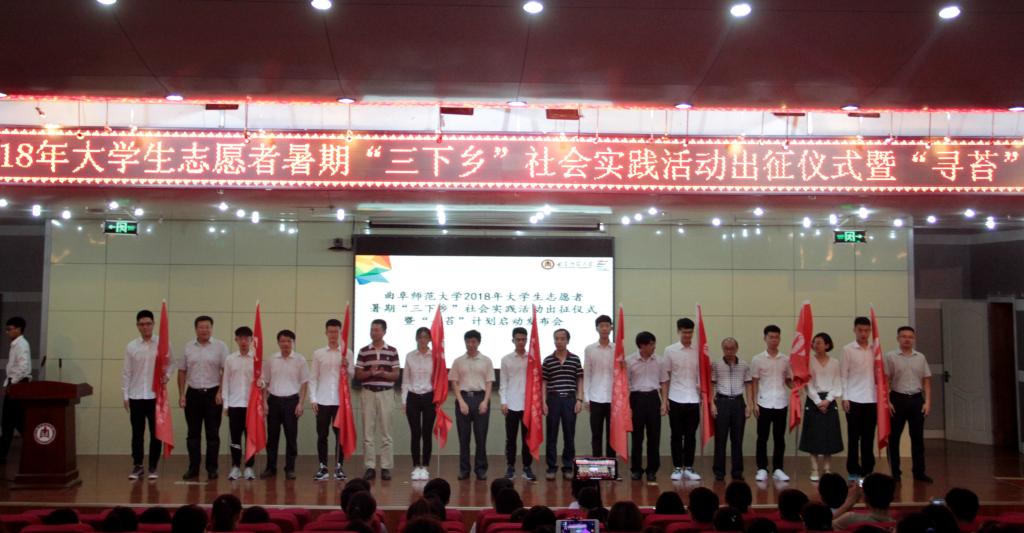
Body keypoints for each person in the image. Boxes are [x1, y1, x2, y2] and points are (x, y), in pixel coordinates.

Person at [176, 315, 228, 481]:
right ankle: (193, 468)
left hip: (213, 395)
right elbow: (182, 371)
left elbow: (226, 371)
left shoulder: (220, 346)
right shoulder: (188, 347)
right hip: (193, 394)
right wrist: (182, 394)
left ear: (211, 328)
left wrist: (221, 392)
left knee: (212, 434)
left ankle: (212, 468)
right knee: (193, 434)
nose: (204, 330)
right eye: (201, 327)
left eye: (207, 327)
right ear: (196, 329)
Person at [122, 310, 173, 480]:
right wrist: (125, 395)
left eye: (148, 324)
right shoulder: (131, 346)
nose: (145, 327)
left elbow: (171, 363)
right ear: (137, 326)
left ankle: (153, 466)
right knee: (137, 433)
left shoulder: (163, 344)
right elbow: (126, 372)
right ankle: (138, 465)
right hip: (136, 395)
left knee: (155, 433)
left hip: (155, 396)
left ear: (153, 324)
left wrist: (167, 376)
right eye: (142, 324)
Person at [885, 326, 933, 483]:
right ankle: (895, 473)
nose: (907, 339)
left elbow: (926, 380)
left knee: (917, 438)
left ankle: (919, 472)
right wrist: (887, 401)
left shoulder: (920, 357)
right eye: (904, 336)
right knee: (894, 438)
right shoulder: (890, 356)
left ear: (914, 339)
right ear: (898, 338)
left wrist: (927, 402)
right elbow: (885, 380)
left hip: (917, 400)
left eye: (910, 337)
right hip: (897, 399)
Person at [259, 329, 309, 480]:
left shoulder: (300, 360)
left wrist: (300, 403)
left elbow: (304, 383)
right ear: (278, 343)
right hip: (273, 401)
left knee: (291, 438)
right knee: (272, 438)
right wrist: (264, 402)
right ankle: (271, 467)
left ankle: (290, 468)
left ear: (293, 343)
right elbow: (265, 382)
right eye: (282, 341)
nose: (285, 344)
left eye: (288, 341)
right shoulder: (271, 359)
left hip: (291, 402)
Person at [355, 318, 400, 481]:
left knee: (386, 433)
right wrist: (371, 373)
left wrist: (383, 374)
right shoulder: (363, 351)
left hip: (386, 393)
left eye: (376, 330)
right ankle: (370, 467)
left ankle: (386, 467)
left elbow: (396, 374)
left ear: (384, 332)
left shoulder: (392, 351)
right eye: (372, 329)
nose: (373, 332)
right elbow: (358, 375)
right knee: (368, 432)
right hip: (368, 393)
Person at [311, 318, 356, 481]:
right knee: (322, 435)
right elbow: (313, 377)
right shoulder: (318, 353)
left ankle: (339, 466)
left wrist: (347, 365)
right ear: (326, 333)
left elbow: (353, 375)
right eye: (330, 331)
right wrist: (313, 399)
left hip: (340, 402)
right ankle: (323, 466)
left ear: (340, 333)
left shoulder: (347, 353)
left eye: (336, 332)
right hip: (322, 400)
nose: (333, 335)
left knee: (340, 436)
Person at [751, 324, 793, 482]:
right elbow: (754, 382)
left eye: (776, 337)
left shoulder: (786, 359)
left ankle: (778, 468)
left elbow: (788, 380)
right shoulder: (757, 359)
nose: (774, 340)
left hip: (781, 402)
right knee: (762, 437)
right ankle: (762, 468)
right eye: (771, 337)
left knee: (779, 437)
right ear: (765, 338)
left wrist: (796, 386)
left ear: (780, 339)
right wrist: (754, 403)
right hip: (763, 402)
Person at [451, 329, 495, 480]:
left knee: (481, 437)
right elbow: (454, 383)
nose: (471, 344)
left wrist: (485, 401)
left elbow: (489, 383)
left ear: (478, 342)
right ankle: (464, 470)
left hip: (481, 398)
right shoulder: (458, 361)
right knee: (463, 438)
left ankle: (480, 469)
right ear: (465, 342)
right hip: (463, 399)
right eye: (468, 341)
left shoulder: (486, 361)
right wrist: (461, 402)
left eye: (474, 341)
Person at [799, 333, 844, 481]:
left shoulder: (835, 362)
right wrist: (818, 401)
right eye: (814, 342)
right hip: (813, 400)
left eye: (819, 342)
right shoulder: (808, 361)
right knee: (813, 435)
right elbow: (807, 383)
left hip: (829, 401)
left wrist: (828, 400)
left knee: (828, 435)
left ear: (827, 345)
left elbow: (837, 383)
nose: (815, 345)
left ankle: (827, 468)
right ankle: (814, 469)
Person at [664, 317, 702, 481]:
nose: (687, 335)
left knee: (691, 435)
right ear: (678, 331)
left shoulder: (699, 350)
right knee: (676, 434)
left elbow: (703, 373)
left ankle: (689, 467)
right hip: (675, 397)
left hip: (694, 399)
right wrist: (665, 399)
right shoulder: (670, 350)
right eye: (684, 332)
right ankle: (678, 467)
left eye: (690, 332)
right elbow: (666, 377)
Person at [542, 328, 583, 480]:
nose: (559, 341)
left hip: (569, 400)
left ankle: (568, 467)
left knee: (569, 435)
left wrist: (579, 400)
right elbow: (544, 382)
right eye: (556, 338)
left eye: (562, 338)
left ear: (567, 340)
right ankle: (551, 467)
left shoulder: (575, 359)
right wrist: (543, 401)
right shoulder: (548, 360)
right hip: (553, 400)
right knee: (551, 435)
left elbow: (579, 380)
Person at [840, 316, 878, 481]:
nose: (863, 333)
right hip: (853, 399)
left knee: (869, 437)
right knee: (854, 437)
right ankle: (853, 470)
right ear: (854, 330)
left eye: (866, 330)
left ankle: (868, 469)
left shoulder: (875, 349)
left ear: (870, 331)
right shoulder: (847, 349)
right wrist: (845, 397)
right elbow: (843, 374)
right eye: (860, 330)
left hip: (872, 399)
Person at [627, 331, 668, 481]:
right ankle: (636, 469)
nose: (654, 347)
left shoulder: (660, 361)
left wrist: (664, 402)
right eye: (651, 344)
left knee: (654, 437)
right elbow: (625, 385)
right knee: (637, 437)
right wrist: (627, 407)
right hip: (636, 399)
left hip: (653, 398)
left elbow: (664, 382)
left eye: (654, 343)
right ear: (642, 345)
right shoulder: (629, 361)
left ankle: (652, 470)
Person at [711, 337, 752, 481]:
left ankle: (737, 471)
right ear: (722, 349)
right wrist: (712, 404)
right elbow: (711, 385)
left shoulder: (744, 365)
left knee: (737, 439)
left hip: (738, 403)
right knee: (720, 439)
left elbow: (748, 385)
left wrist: (749, 405)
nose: (729, 351)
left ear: (737, 349)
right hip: (721, 402)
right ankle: (719, 472)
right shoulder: (715, 364)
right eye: (726, 349)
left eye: (732, 349)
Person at [220, 326, 257, 481]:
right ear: (236, 340)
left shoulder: (256, 359)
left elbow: (262, 381)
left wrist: (261, 383)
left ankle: (249, 467)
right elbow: (226, 382)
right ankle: (235, 466)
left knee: (250, 438)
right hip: (235, 404)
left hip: (251, 406)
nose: (243, 341)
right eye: (240, 338)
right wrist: (226, 404)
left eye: (246, 338)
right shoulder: (230, 359)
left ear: (251, 340)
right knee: (235, 437)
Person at [500, 327, 534, 480]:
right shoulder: (506, 359)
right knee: (511, 438)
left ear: (527, 340)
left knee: (527, 439)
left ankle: (527, 467)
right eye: (518, 339)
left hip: (528, 405)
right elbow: (503, 382)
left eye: (523, 339)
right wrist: (503, 402)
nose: (521, 342)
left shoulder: (532, 359)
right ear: (512, 340)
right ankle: (510, 466)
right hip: (511, 404)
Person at [402, 327, 436, 481]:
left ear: (430, 339)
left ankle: (425, 466)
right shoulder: (410, 356)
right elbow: (405, 380)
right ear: (416, 338)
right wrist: (404, 400)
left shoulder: (435, 356)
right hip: (413, 397)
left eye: (426, 337)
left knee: (427, 433)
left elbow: (439, 379)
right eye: (420, 337)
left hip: (429, 397)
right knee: (415, 433)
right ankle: (416, 466)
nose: (423, 340)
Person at [583, 315, 615, 466]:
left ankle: (611, 466)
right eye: (601, 326)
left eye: (607, 325)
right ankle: (597, 465)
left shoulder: (617, 348)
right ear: (597, 328)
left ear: (611, 328)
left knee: (612, 435)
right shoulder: (590, 349)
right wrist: (586, 397)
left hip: (613, 398)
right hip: (595, 398)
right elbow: (587, 374)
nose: (604, 328)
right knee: (596, 434)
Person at [1, 316, 31, 463]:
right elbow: (12, 368)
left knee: (11, 420)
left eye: (9, 329)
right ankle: (2, 454)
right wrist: (6, 384)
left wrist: (11, 385)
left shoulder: (21, 344)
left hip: (18, 385)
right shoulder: (15, 344)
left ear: (18, 329)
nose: (7, 332)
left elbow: (23, 368)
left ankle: (36, 447)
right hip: (15, 384)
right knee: (13, 421)